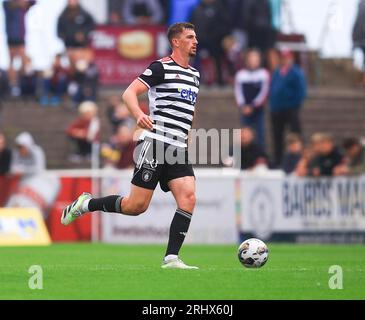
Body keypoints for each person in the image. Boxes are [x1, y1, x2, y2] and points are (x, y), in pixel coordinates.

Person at [61, 22, 200, 269]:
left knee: (188, 198)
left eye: (195, 37)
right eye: (190, 37)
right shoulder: (161, 67)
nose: (195, 41)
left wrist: (188, 131)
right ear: (176, 42)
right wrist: (138, 114)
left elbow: (189, 109)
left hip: (178, 147)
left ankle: (171, 258)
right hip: (156, 143)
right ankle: (86, 204)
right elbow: (129, 93)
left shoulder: (195, 75)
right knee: (135, 207)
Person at [269, 49, 307, 166]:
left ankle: (298, 159)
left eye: (287, 57)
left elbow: (301, 91)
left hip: (291, 108)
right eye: (283, 57)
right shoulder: (277, 72)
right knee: (277, 136)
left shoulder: (296, 72)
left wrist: (294, 104)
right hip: (276, 109)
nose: (285, 59)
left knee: (295, 134)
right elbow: (272, 89)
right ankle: (278, 161)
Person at [234, 48, 270, 148]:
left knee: (260, 134)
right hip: (244, 109)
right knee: (244, 134)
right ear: (247, 60)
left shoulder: (264, 74)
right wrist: (243, 106)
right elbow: (238, 92)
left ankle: (260, 157)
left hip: (258, 109)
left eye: (255, 58)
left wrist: (253, 106)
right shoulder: (241, 75)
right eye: (251, 58)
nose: (253, 60)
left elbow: (264, 92)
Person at [3, 0, 36, 97]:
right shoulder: (9, 5)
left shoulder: (23, 7)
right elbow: (7, 4)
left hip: (21, 37)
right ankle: (13, 86)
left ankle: (22, 84)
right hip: (12, 37)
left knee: (24, 61)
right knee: (12, 62)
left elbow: (33, 2)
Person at [57, 0, 95, 67]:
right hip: (68, 48)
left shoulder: (84, 14)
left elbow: (91, 26)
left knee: (81, 66)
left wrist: (83, 33)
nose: (72, 2)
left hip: (81, 49)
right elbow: (59, 32)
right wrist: (65, 37)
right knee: (61, 66)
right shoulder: (63, 16)